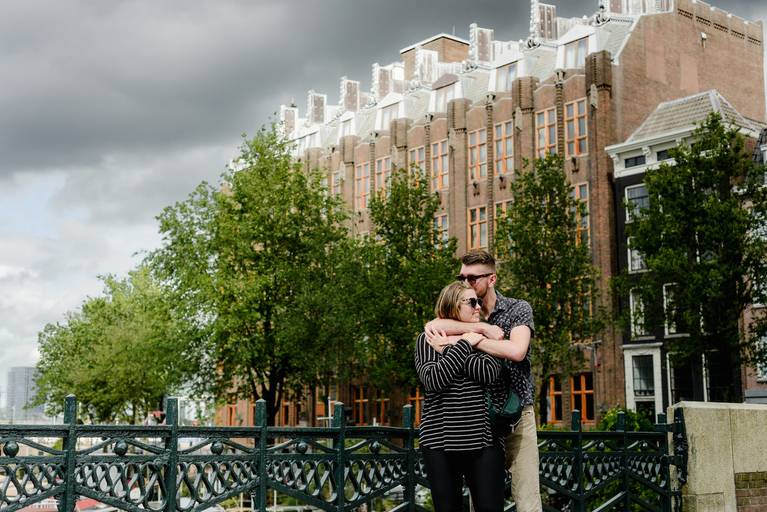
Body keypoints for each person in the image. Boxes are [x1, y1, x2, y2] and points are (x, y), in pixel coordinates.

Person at [425, 249, 542, 512]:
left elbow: (516, 351)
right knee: (484, 501)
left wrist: (467, 339)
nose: (466, 283)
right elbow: (431, 327)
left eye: (473, 278)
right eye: (462, 277)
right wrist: (480, 329)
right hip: (477, 420)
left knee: (527, 499)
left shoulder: (516, 308)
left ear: (492, 279)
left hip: (515, 414)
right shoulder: (463, 314)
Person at [415, 281, 507, 512]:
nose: (478, 307)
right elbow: (434, 380)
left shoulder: (486, 340)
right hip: (440, 442)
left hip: (483, 441)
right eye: (471, 302)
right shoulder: (426, 339)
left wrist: (447, 348)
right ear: (452, 306)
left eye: (479, 302)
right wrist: (466, 343)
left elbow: (487, 373)